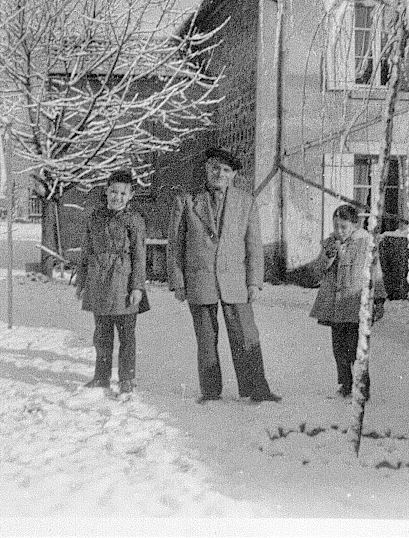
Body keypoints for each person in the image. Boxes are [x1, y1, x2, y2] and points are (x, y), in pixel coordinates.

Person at [168, 147, 281, 404]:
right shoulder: (186, 201)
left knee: (246, 335)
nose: (220, 174)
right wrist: (178, 281)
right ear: (206, 169)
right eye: (215, 168)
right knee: (206, 339)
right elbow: (175, 245)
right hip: (199, 279)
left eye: (226, 170)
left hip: (235, 280)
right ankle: (210, 392)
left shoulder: (246, 202)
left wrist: (254, 281)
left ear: (234, 175)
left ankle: (257, 389)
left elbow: (254, 245)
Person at [74, 169, 150, 396]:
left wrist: (137, 286)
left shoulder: (134, 221)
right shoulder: (95, 217)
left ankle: (126, 379)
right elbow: (86, 251)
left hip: (123, 282)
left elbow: (139, 254)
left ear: (131, 195)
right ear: (106, 191)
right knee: (102, 333)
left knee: (126, 335)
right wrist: (82, 282)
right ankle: (101, 377)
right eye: (113, 192)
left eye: (123, 193)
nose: (117, 197)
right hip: (98, 281)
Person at [309, 204, 386, 399]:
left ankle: (361, 387)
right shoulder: (330, 244)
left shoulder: (365, 244)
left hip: (355, 306)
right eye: (336, 226)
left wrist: (378, 300)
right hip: (336, 306)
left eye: (343, 227)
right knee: (339, 349)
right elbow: (317, 272)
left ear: (355, 225)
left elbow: (375, 274)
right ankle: (344, 384)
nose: (339, 231)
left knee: (356, 350)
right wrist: (329, 256)